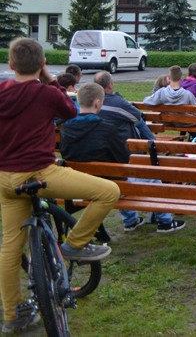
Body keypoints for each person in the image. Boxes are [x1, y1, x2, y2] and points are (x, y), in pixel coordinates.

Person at [1, 38, 119, 333]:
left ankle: (13, 313)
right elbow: (71, 110)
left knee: (10, 247)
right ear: (42, 65)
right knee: (108, 191)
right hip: (40, 174)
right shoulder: (46, 94)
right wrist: (50, 80)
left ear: (11, 64)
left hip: (5, 178)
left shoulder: (2, 90)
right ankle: (74, 245)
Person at [61, 83, 185, 234]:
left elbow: (66, 154)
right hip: (108, 185)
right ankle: (165, 222)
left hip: (81, 185)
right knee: (150, 176)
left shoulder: (66, 129)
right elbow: (123, 160)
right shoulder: (107, 129)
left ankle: (131, 220)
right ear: (98, 103)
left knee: (119, 177)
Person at [93, 70, 156, 141]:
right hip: (119, 140)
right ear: (110, 86)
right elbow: (137, 116)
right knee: (139, 121)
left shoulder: (90, 101)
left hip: (99, 137)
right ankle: (154, 144)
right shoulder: (118, 103)